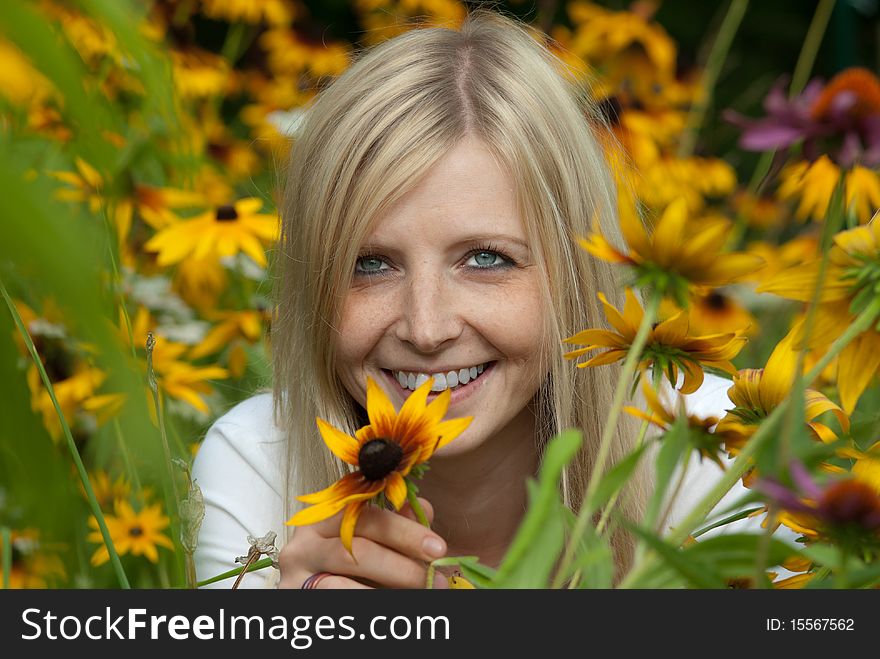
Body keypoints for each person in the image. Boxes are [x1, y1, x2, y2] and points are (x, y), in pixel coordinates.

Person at [192, 9, 787, 590]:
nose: (426, 329)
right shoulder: (260, 468)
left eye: (486, 259)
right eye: (369, 265)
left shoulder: (719, 458)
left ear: (576, 275)